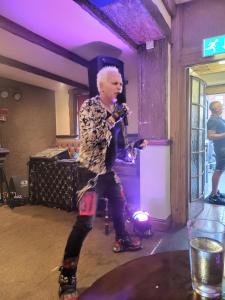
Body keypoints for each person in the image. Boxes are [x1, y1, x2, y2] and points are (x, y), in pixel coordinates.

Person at [58, 66, 148, 300]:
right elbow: (93, 138)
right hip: (89, 175)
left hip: (108, 173)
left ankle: (122, 238)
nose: (120, 87)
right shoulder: (90, 107)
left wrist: (134, 148)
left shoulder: (117, 115)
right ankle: (67, 276)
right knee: (85, 223)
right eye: (115, 83)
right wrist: (116, 116)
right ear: (101, 86)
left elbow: (118, 151)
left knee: (120, 204)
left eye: (121, 84)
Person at [207, 100, 225, 204]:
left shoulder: (218, 119)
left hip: (223, 149)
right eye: (220, 106)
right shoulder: (213, 120)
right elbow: (210, 136)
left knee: (220, 170)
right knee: (218, 170)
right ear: (215, 109)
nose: (222, 107)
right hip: (221, 150)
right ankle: (213, 195)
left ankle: (216, 192)